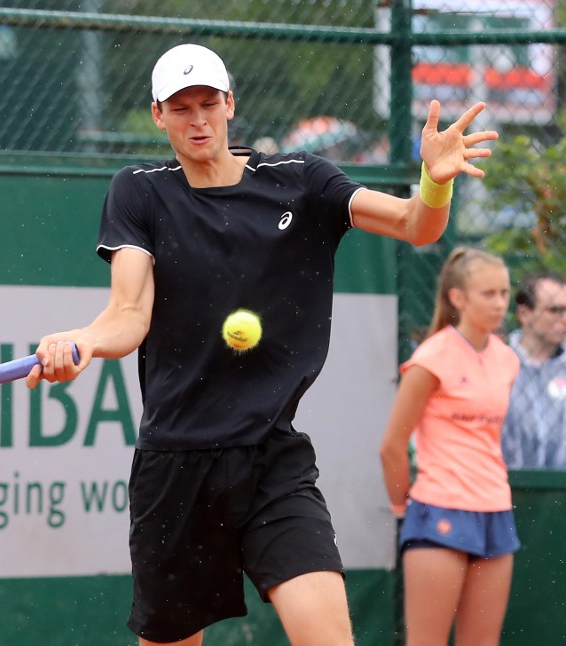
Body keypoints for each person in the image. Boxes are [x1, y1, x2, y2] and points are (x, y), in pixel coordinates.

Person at [25, 43, 498, 646]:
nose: (197, 120)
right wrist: (85, 341)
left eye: (208, 104)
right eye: (180, 107)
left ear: (229, 105)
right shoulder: (139, 192)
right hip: (174, 463)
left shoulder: (302, 182)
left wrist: (433, 182)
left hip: (271, 459)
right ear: (157, 115)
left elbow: (415, 225)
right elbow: (128, 311)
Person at [380, 247, 521, 646]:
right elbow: (391, 445)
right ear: (457, 298)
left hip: (495, 510)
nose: (499, 304)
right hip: (438, 509)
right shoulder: (431, 358)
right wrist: (402, 508)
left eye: (504, 293)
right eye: (488, 294)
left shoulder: (508, 360)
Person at [501, 271, 566, 469]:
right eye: (555, 310)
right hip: (507, 486)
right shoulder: (498, 363)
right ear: (524, 314)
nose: (564, 318)